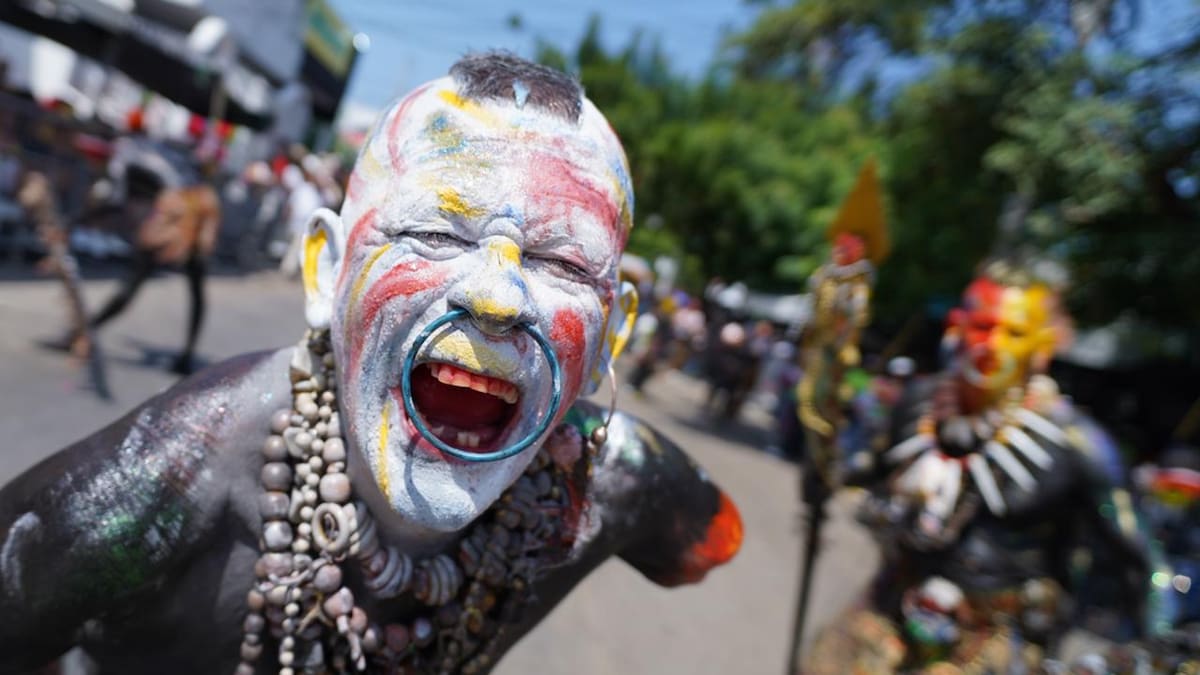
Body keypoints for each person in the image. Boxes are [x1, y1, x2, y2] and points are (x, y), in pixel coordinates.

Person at [0, 53, 742, 674]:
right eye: (437, 234)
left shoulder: (623, 484)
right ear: (328, 270)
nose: (496, 297)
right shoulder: (163, 486)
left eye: (564, 263)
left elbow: (708, 547)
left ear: (612, 334)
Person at [802, 262, 1160, 673]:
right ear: (958, 327)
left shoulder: (1076, 442)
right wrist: (823, 465)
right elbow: (863, 469)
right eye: (983, 327)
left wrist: (1161, 649)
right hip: (889, 608)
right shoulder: (919, 402)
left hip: (993, 639)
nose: (993, 345)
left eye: (1015, 333)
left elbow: (1142, 561)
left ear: (1041, 347)